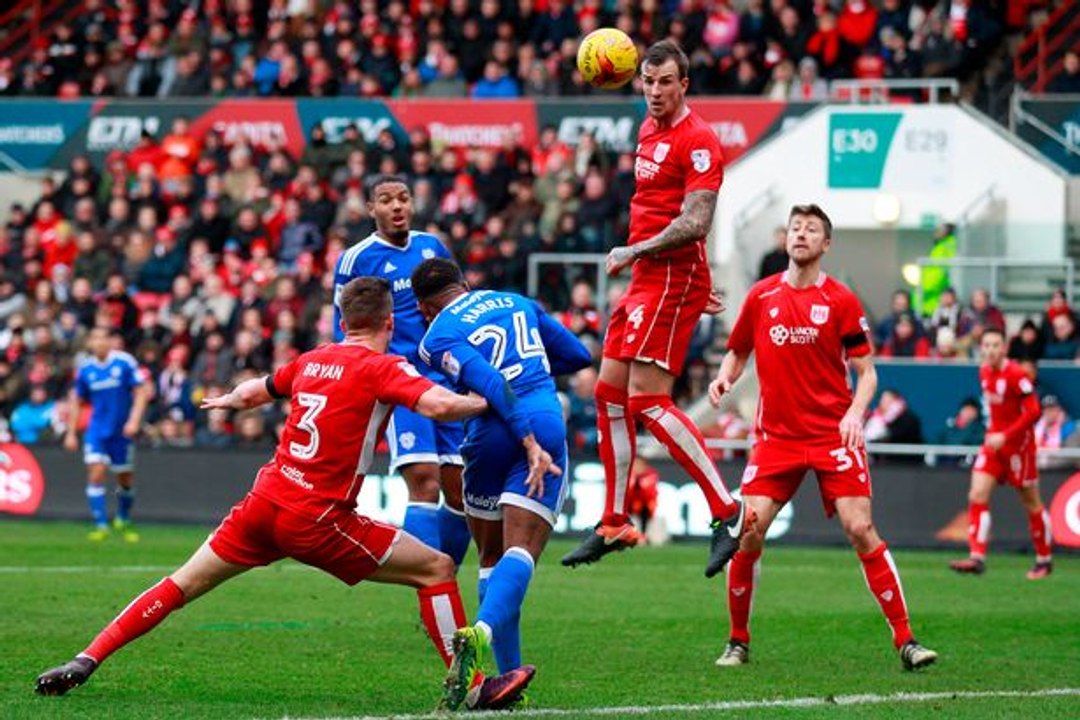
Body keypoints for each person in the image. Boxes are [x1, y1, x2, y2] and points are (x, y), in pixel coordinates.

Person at [35, 278, 534, 711]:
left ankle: (87, 657)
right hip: (318, 518)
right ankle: (471, 688)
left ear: (342, 320)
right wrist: (488, 401)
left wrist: (228, 400)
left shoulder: (313, 360)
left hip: (264, 503)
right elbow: (441, 406)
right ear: (388, 321)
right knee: (437, 568)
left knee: (180, 584)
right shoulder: (383, 367)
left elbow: (258, 390)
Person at [708, 204, 937, 671]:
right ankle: (737, 640)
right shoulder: (761, 296)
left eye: (811, 229)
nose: (801, 234)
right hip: (776, 438)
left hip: (833, 434)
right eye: (795, 228)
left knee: (859, 528)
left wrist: (855, 413)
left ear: (825, 244)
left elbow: (867, 374)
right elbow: (738, 351)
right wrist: (724, 377)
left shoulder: (841, 300)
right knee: (748, 533)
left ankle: (907, 640)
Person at [561, 40, 752, 577]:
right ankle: (616, 519)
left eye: (665, 81)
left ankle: (727, 510)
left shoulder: (699, 142)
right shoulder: (648, 131)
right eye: (647, 82)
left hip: (666, 275)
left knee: (647, 401)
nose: (654, 91)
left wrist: (639, 253)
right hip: (652, 277)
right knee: (609, 394)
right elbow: (661, 210)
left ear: (683, 84)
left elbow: (696, 221)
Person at [409, 258, 592, 710]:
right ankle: (482, 631)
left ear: (423, 308)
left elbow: (487, 381)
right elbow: (578, 355)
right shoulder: (516, 302)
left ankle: (509, 682)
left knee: (489, 557)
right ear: (465, 283)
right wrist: (529, 435)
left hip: (486, 437)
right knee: (521, 551)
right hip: (539, 422)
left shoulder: (435, 336)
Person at [332, 175, 471, 568]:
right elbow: (341, 324)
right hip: (399, 379)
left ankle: (446, 574)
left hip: (444, 378)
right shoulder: (357, 259)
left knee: (460, 491)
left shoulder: (432, 248)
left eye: (403, 198)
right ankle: (423, 578)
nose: (396, 206)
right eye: (386, 200)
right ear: (371, 208)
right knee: (424, 481)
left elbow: (460, 305)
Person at [950, 327, 1052, 580]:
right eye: (986, 345)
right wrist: (994, 435)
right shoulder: (983, 371)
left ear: (1004, 348)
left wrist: (1005, 435)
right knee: (977, 494)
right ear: (981, 348)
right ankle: (977, 557)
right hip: (993, 446)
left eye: (996, 345)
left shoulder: (1017, 374)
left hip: (1019, 447)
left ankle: (1044, 559)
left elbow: (1033, 412)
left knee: (1031, 503)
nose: (991, 350)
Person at [64, 327, 150, 542]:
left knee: (124, 478)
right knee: (96, 472)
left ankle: (122, 517)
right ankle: (101, 524)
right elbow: (77, 401)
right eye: (95, 338)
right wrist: (71, 433)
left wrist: (133, 421)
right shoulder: (86, 370)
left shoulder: (124, 362)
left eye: (103, 338)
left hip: (121, 431)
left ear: (110, 341)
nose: (99, 343)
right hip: (97, 431)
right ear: (90, 343)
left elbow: (141, 392)